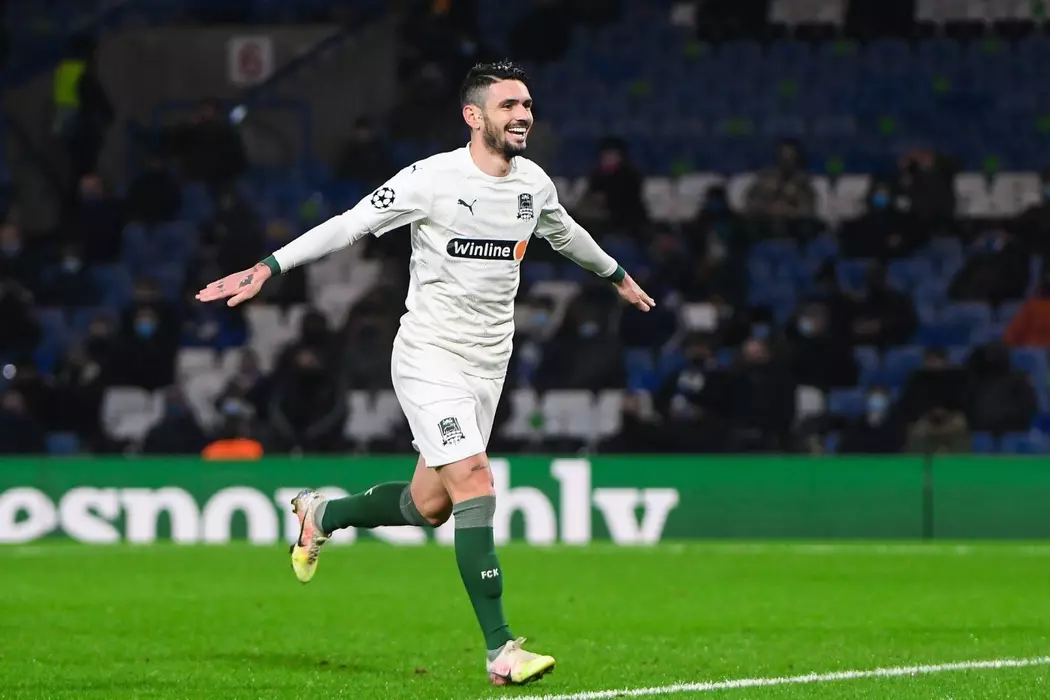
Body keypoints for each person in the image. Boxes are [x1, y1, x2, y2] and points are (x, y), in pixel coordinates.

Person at [196, 61, 654, 686]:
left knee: (428, 506)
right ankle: (501, 650)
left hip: (489, 364)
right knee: (475, 482)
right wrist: (268, 268)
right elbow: (350, 223)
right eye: (509, 105)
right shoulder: (431, 179)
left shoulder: (534, 184)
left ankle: (321, 516)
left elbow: (564, 233)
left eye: (527, 105)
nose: (523, 115)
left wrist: (616, 277)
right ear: (473, 116)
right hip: (430, 355)